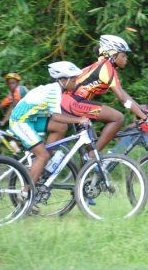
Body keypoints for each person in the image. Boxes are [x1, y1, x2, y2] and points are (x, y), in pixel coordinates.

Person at [60, 34, 148, 154]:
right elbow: (123, 99)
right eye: (123, 55)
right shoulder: (106, 67)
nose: (126, 59)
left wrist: (140, 109)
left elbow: (124, 94)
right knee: (118, 118)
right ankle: (93, 157)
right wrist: (146, 119)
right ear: (113, 55)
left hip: (71, 103)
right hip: (73, 103)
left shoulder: (104, 66)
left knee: (90, 146)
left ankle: (87, 166)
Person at [8, 62, 89, 202]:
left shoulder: (55, 89)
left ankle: (43, 165)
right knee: (43, 155)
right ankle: (25, 194)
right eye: (74, 80)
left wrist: (77, 118)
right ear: (63, 80)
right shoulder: (54, 91)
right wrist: (79, 120)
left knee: (61, 127)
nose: (76, 83)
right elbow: (56, 116)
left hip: (31, 119)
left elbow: (60, 116)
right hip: (20, 121)